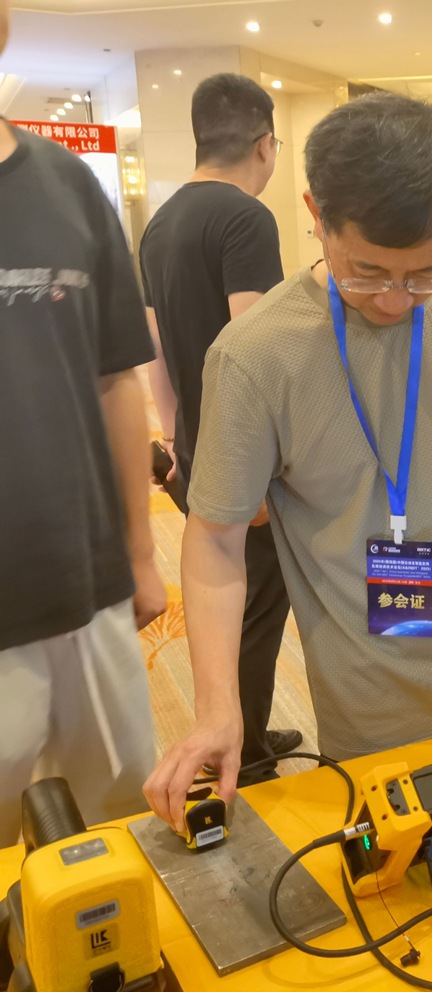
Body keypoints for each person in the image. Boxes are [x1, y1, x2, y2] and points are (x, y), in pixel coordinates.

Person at [144, 92, 432, 834]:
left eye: (427, 273)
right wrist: (217, 708)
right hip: (379, 711)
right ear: (316, 213)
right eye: (366, 271)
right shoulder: (255, 354)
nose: (397, 300)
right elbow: (214, 541)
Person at [0, 0, 166, 844]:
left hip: (88, 582)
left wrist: (140, 553)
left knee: (121, 820)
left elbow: (115, 380)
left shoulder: (66, 184)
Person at [139, 73, 301, 783]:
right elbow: (253, 346)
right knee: (257, 609)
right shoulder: (245, 218)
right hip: (241, 461)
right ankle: (245, 753)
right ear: (265, 144)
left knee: (242, 605)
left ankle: (250, 730)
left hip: (196, 449)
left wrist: (177, 441)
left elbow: (155, 347)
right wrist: (260, 468)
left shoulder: (161, 223)